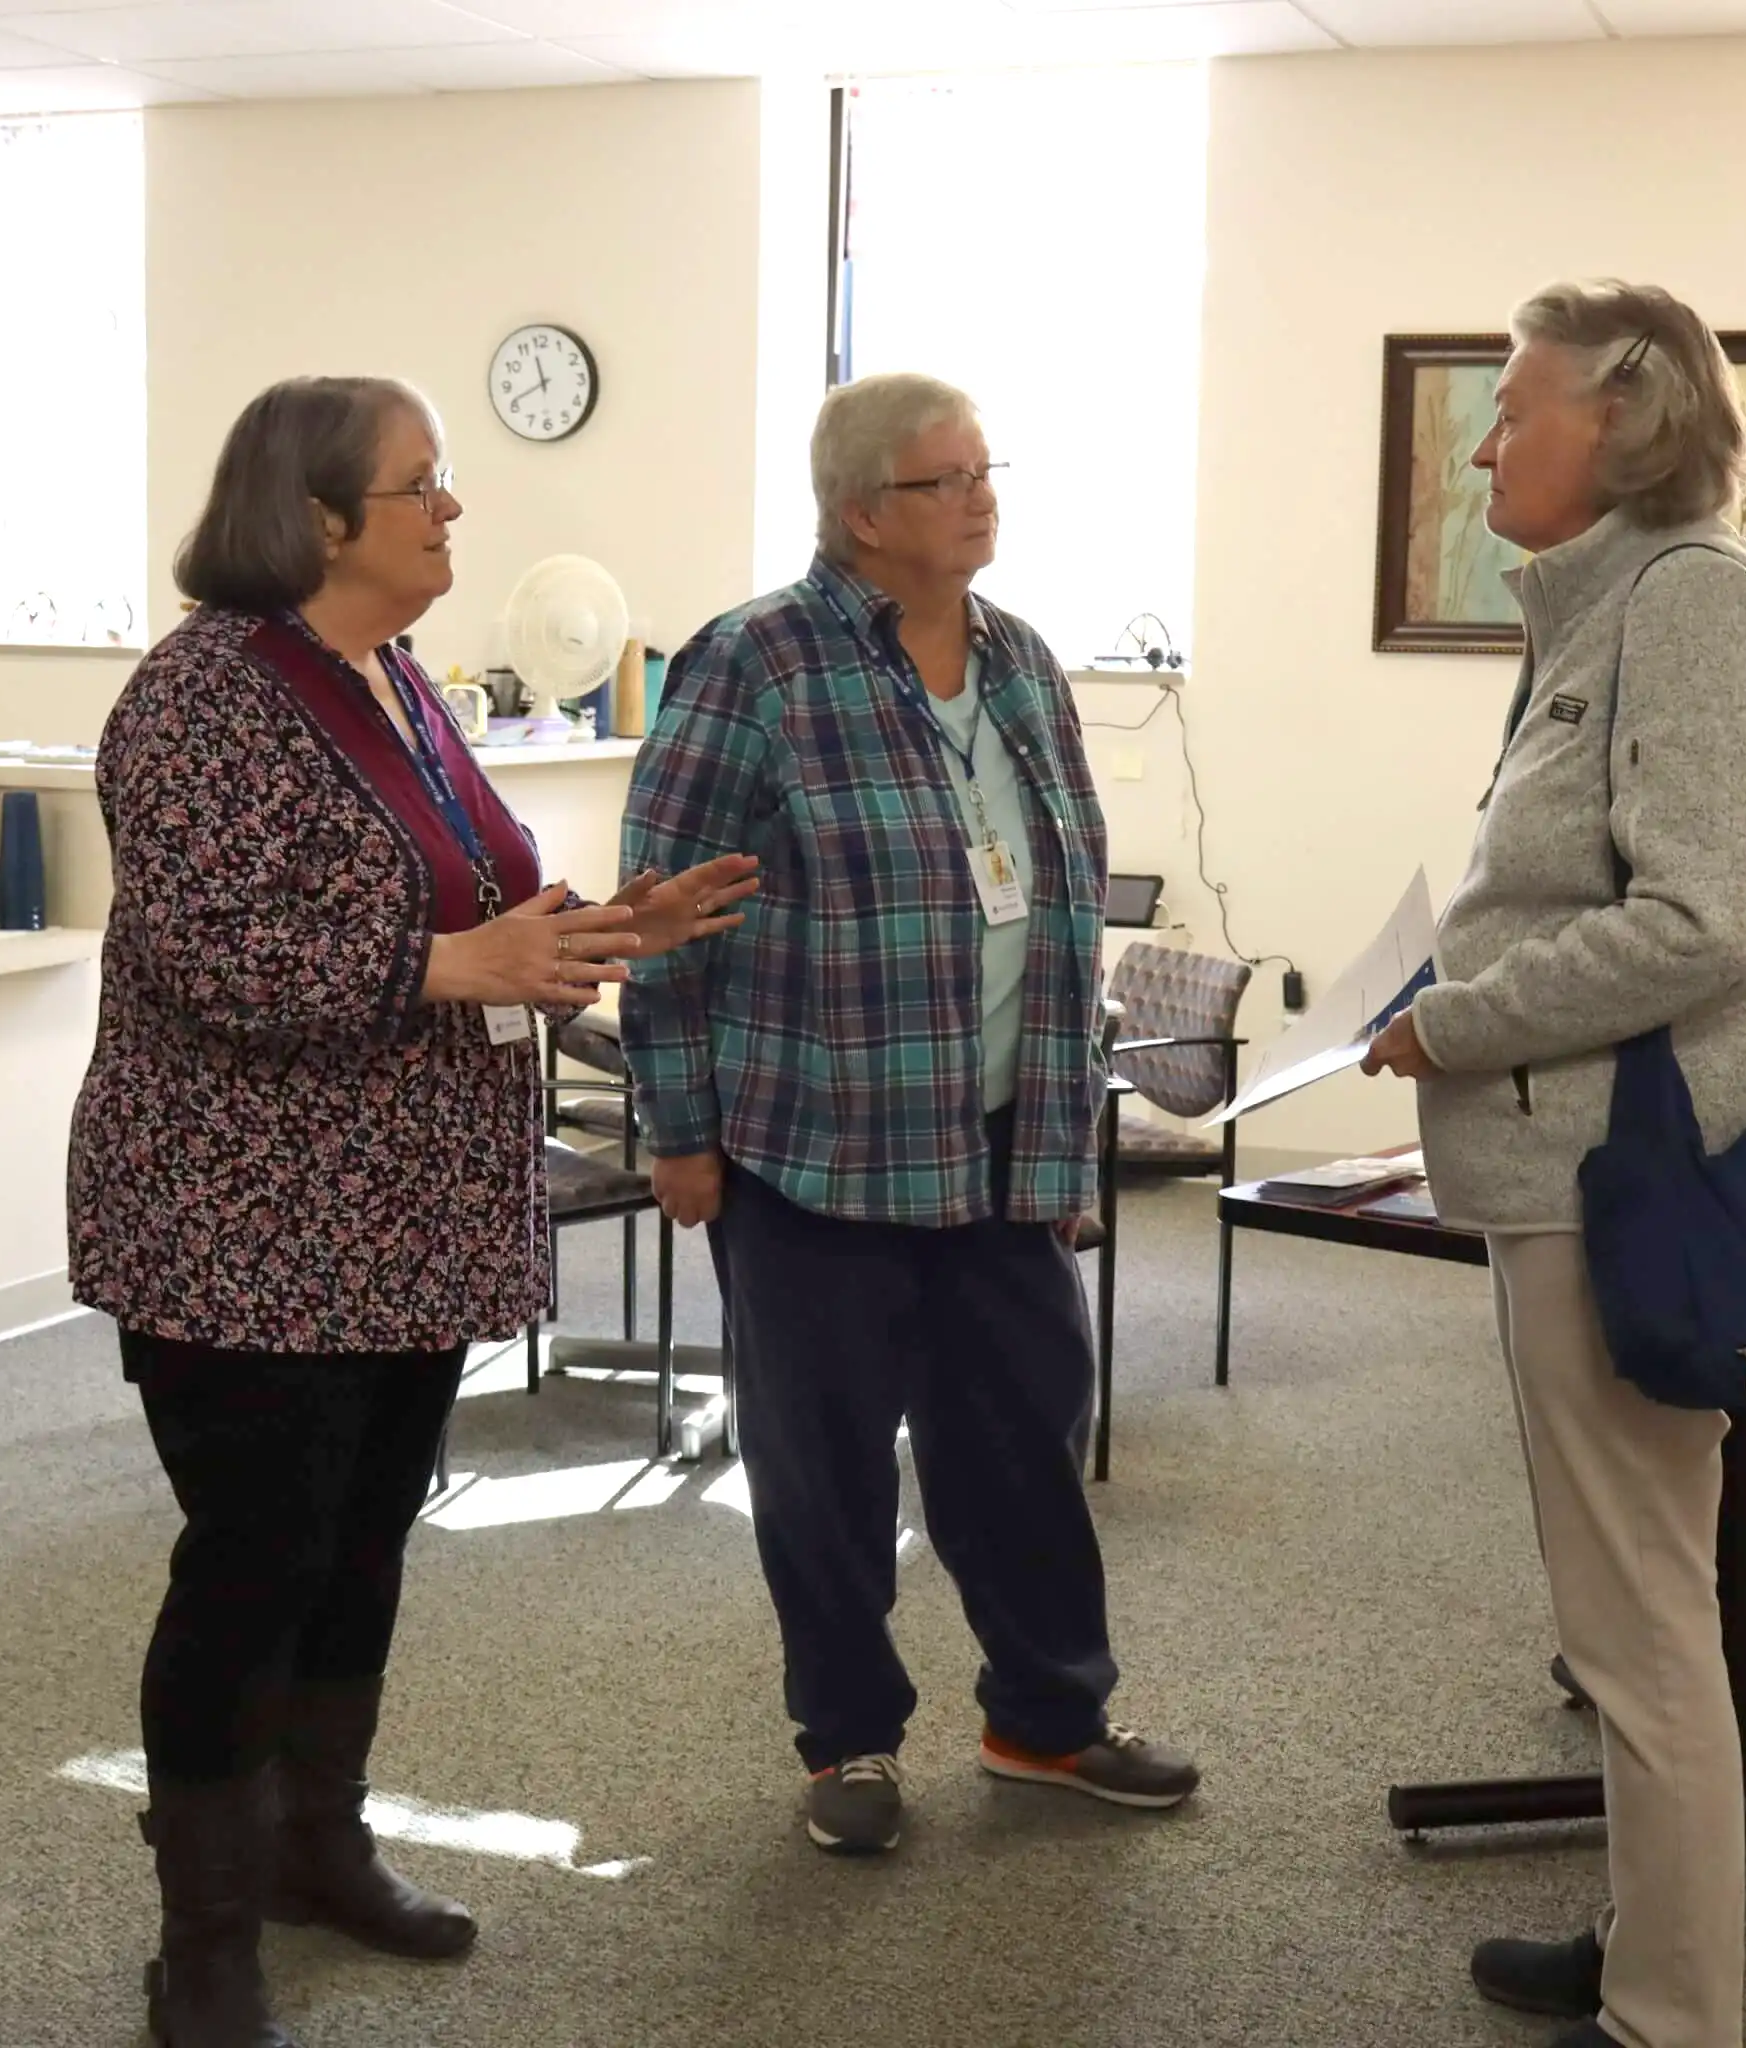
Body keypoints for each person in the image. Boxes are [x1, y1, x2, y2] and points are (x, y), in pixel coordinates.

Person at [67, 375, 757, 2048]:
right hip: (242, 1226)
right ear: (314, 517)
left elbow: (474, 909)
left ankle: (322, 1851)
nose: (455, 511)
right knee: (254, 1564)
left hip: (401, 1219)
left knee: (362, 1545)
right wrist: (461, 959)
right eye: (422, 486)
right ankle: (209, 1936)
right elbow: (209, 951)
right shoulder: (201, 698)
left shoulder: (399, 679)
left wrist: (601, 931)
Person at [620, 372, 1199, 1854]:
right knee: (821, 1470)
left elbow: (1062, 911)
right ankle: (851, 1743)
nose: (984, 495)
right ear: (865, 513)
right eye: (950, 479)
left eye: (987, 468)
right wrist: (678, 1130)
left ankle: (1047, 1721)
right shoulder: (751, 665)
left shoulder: (1018, 661)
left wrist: (1066, 1141)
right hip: (819, 1153)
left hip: (1002, 1147)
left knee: (1022, 1445)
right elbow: (664, 918)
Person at [1363, 283, 1746, 2048]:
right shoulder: (1610, 602)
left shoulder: (1690, 600)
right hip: (1584, 1161)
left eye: (1514, 410)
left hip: (1627, 1177)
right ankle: (1652, 1944)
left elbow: (1698, 920)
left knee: (1634, 1623)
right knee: (1632, 1607)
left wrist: (1457, 1021)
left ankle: (1673, 2016)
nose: (1484, 444)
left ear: (1621, 424)